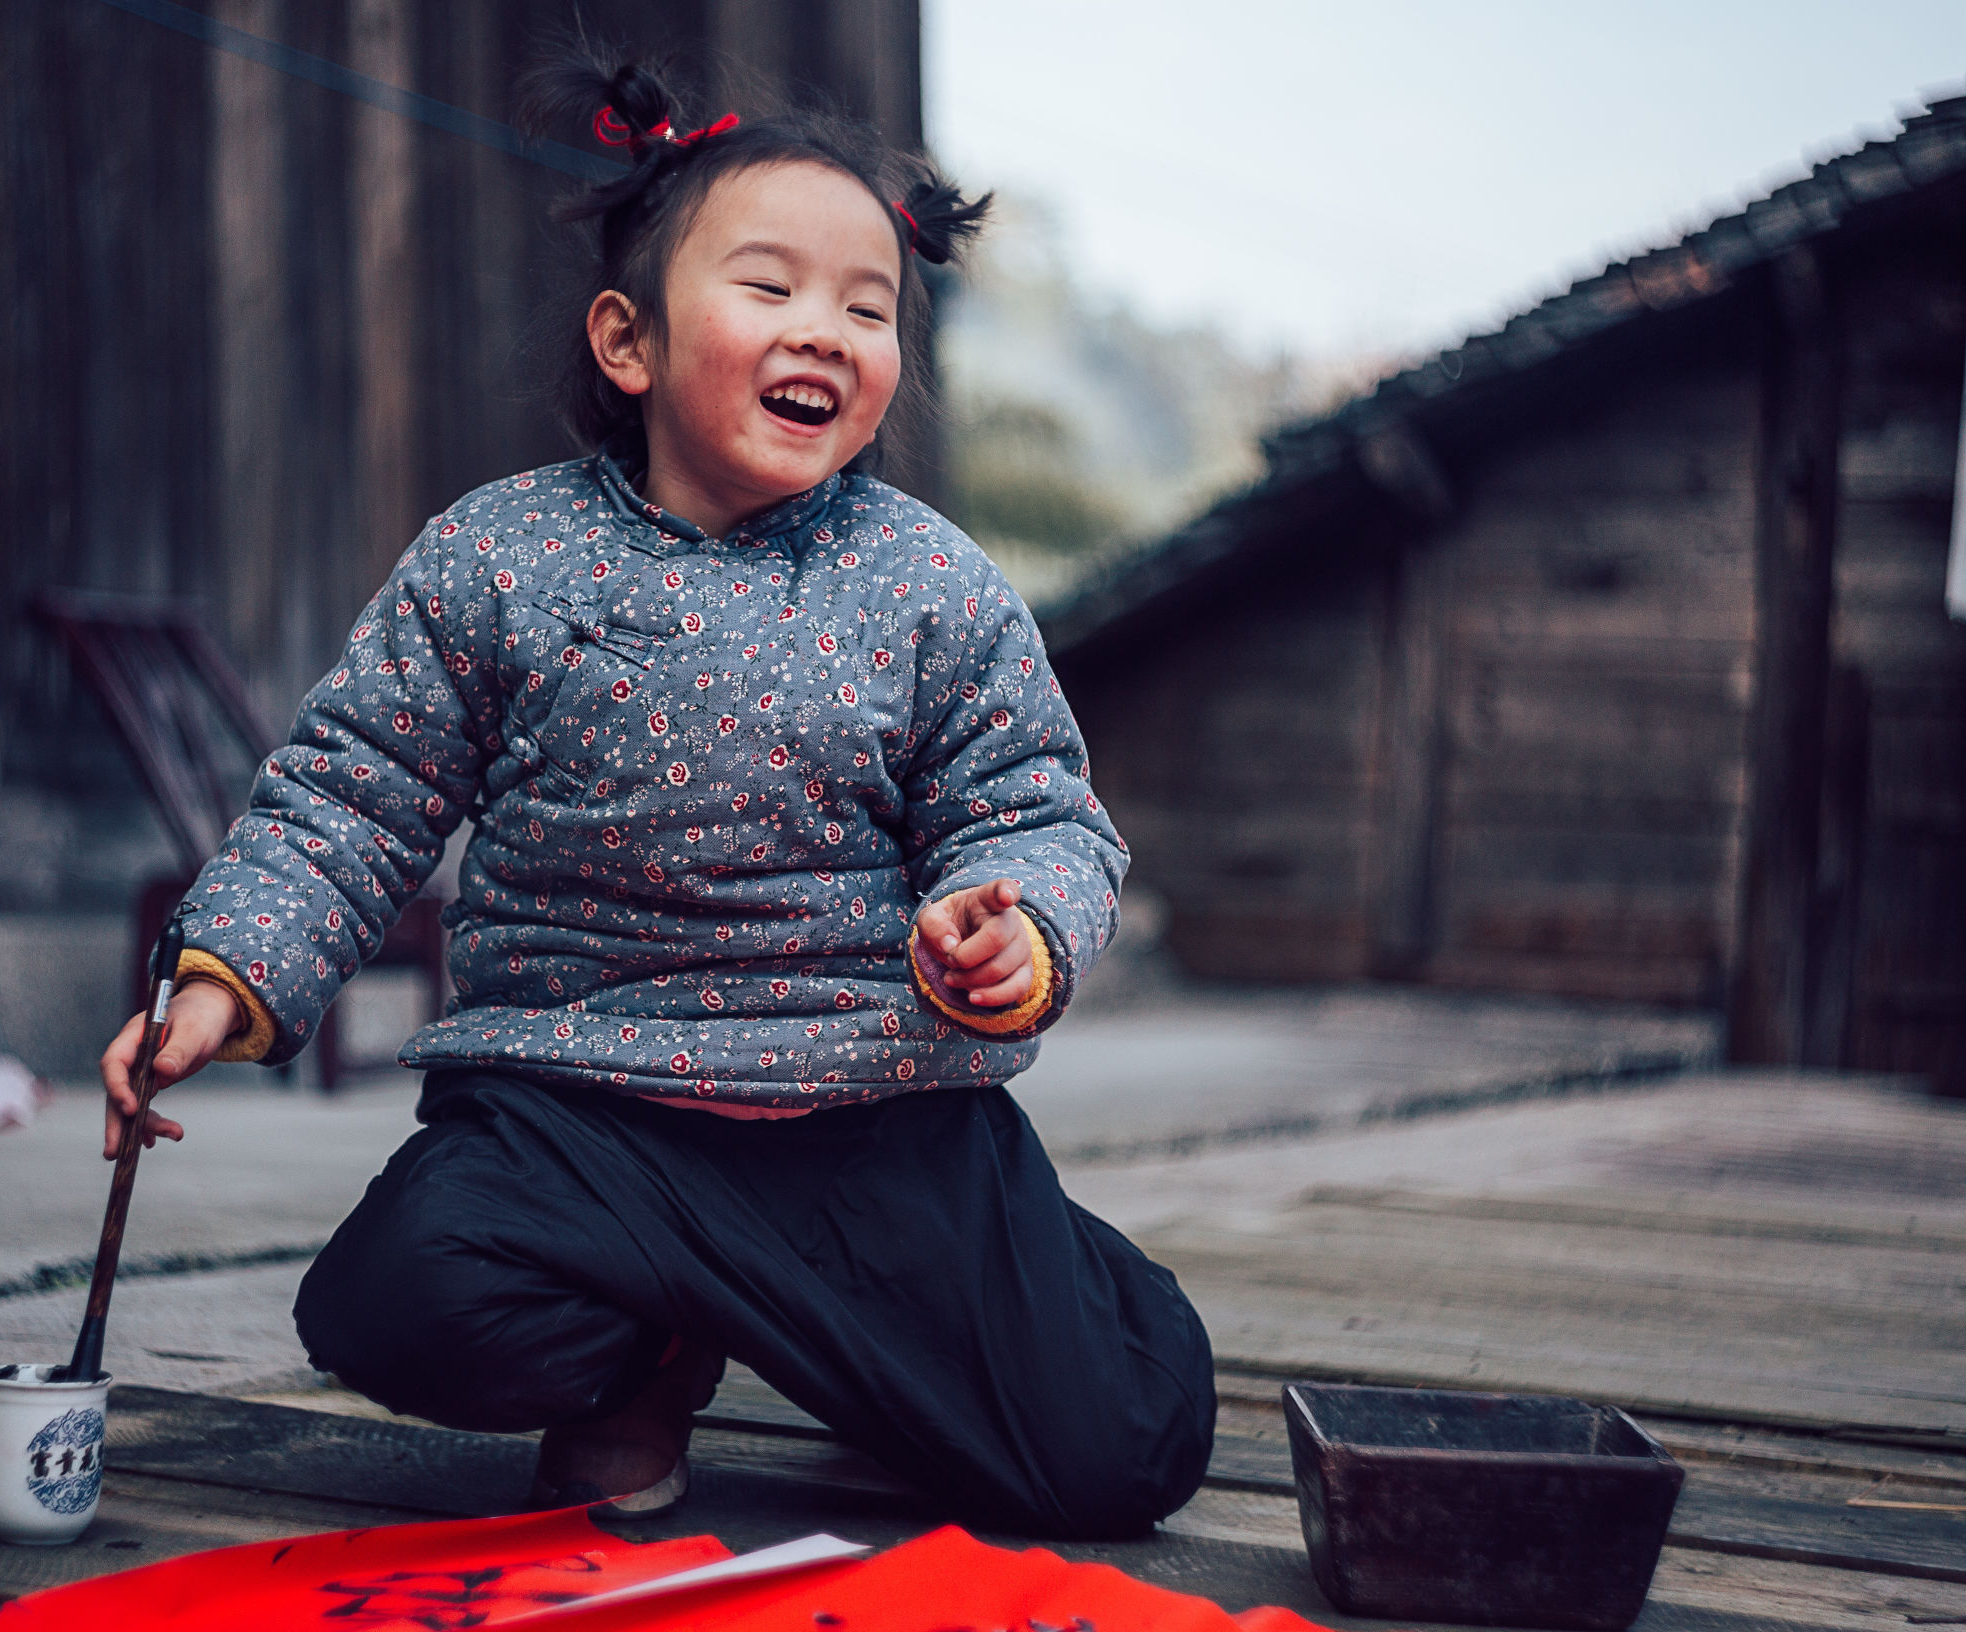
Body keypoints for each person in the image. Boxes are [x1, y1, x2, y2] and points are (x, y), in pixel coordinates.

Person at [98, 51, 1214, 1540]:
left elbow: (1030, 809)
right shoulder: (499, 557)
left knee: (1120, 1447)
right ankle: (651, 1347)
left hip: (865, 1116)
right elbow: (349, 795)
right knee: (396, 1300)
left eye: (866, 307)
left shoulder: (930, 581)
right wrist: (218, 978)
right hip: (579, 1116)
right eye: (770, 287)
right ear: (627, 339)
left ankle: (978, 1289)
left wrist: (1015, 943)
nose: (823, 329)